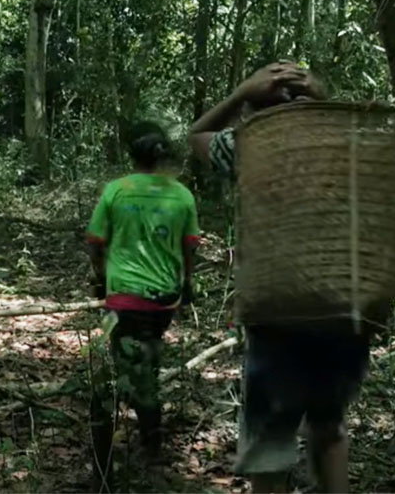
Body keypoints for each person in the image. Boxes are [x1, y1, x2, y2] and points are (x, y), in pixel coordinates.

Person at [188, 62, 369, 493]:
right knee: (329, 427)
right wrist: (323, 97)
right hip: (341, 304)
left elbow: (195, 137)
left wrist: (238, 95)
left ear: (256, 110)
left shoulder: (250, 146)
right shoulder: (346, 145)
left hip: (277, 309)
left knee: (269, 440)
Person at [86, 121, 200, 490]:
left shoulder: (116, 192)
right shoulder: (182, 195)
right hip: (164, 301)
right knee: (142, 362)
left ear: (130, 155)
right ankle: (146, 448)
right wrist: (186, 282)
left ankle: (118, 465)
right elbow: (190, 246)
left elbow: (95, 241)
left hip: (123, 299)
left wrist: (100, 277)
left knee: (111, 380)